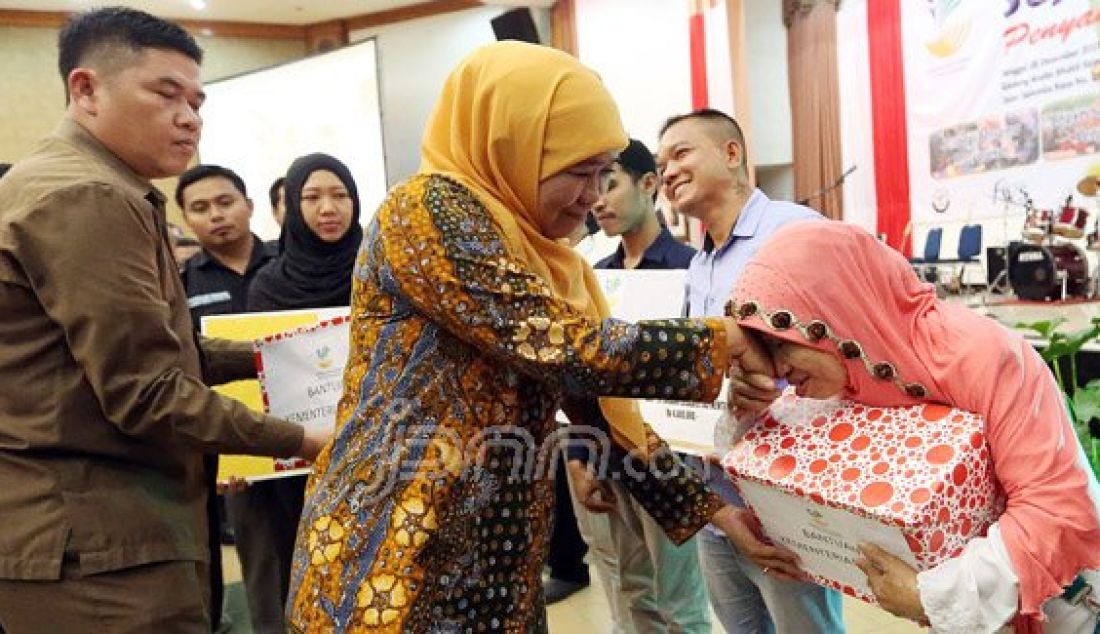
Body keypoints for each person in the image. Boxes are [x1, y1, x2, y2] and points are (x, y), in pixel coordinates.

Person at [286, 41, 774, 632]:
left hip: (496, 566)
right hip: (395, 558)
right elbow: (560, 346)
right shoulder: (426, 210)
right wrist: (721, 341)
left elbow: (600, 413)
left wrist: (719, 514)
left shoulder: (543, 256)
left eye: (603, 174)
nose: (593, 197)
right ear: (509, 145)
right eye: (577, 171)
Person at [0, 8, 326, 632]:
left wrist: (275, 354)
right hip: (99, 549)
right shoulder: (85, 194)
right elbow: (146, 392)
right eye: (165, 93)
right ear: (86, 89)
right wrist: (305, 441)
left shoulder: (86, 181)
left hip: (92, 535)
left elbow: (150, 353)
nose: (189, 117)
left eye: (198, 101)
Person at [726, 221, 1100, 633]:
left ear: (833, 310)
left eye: (780, 342)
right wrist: (749, 401)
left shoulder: (983, 355)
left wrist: (932, 596)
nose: (779, 368)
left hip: (1066, 604)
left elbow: (1055, 509)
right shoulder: (850, 379)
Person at [655, 108, 844, 633]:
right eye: (661, 163)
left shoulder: (793, 230)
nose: (668, 171)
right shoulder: (699, 265)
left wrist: (773, 381)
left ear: (731, 153)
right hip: (719, 497)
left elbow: (845, 350)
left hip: (787, 498)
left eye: (681, 153)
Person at [567, 138, 710, 632]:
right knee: (631, 592)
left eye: (610, 183)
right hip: (607, 451)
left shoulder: (691, 269)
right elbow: (581, 376)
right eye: (591, 186)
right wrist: (581, 457)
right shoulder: (595, 277)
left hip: (669, 453)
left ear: (649, 184)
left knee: (682, 603)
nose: (598, 199)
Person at [235, 152, 361, 633]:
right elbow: (260, 376)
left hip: (376, 453)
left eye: (339, 195)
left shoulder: (381, 270)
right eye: (311, 197)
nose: (327, 208)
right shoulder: (270, 285)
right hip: (301, 462)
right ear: (291, 205)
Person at [176, 163, 279, 632]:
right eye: (199, 208)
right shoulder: (180, 285)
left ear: (249, 206)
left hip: (313, 435)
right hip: (238, 451)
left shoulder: (286, 267)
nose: (215, 215)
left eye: (224, 202)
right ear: (185, 218)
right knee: (261, 563)